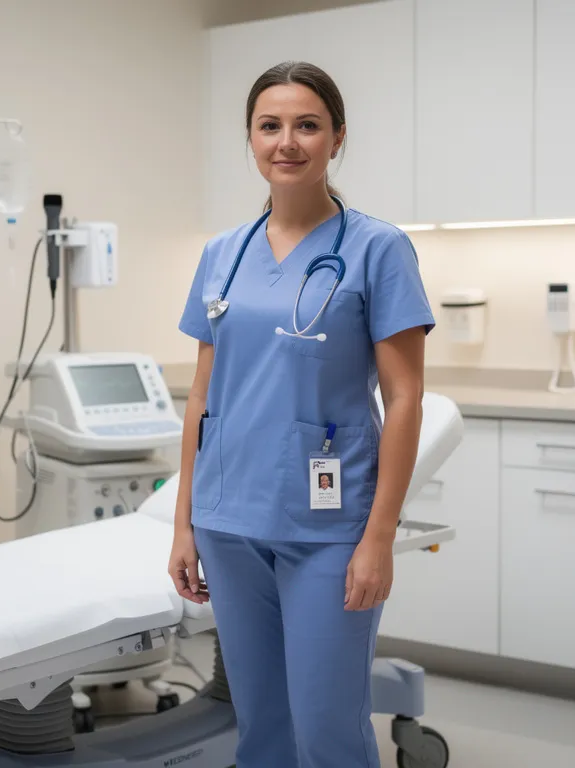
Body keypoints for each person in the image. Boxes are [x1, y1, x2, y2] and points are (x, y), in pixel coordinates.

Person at [168, 60, 433, 768]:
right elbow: (201, 396)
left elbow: (404, 397)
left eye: (307, 125)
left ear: (337, 138)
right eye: (270, 126)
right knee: (261, 728)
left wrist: (379, 537)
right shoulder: (223, 255)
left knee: (327, 730)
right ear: (251, 139)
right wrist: (183, 522)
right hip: (228, 523)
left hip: (328, 529)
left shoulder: (377, 249)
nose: (288, 141)